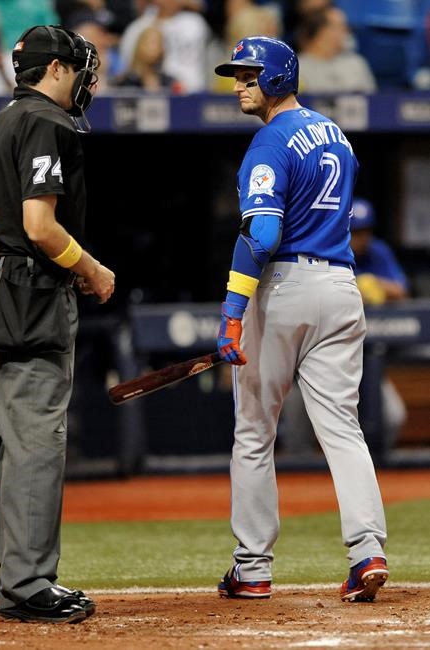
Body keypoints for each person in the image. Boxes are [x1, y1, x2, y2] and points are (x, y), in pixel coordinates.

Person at [214, 36, 388, 603]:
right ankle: (368, 552)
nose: (239, 84)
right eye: (237, 75)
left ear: (279, 77)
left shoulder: (270, 140)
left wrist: (232, 311)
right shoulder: (334, 131)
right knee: (341, 427)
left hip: (285, 287)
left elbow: (261, 235)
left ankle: (252, 567)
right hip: (341, 286)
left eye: (249, 74)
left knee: (253, 431)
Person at [0, 24, 115, 623]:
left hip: (1, 288)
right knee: (37, 446)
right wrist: (92, 269)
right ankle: (28, 585)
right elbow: (39, 225)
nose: (85, 81)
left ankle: (19, 580)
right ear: (55, 70)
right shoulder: (49, 124)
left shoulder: (2, 121)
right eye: (79, 69)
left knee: (18, 444)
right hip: (33, 296)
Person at [279, 197, 409, 455]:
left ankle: (377, 478)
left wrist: (375, 284)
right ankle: (303, 490)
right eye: (355, 232)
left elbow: (401, 290)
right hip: (312, 363)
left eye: (365, 232)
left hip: (361, 363)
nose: (361, 239)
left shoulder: (377, 252)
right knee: (295, 433)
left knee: (393, 416)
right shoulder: (322, 249)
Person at [296, 6, 377, 94]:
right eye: (340, 26)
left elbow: (375, 102)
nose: (346, 32)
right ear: (321, 31)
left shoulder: (357, 63)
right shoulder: (297, 68)